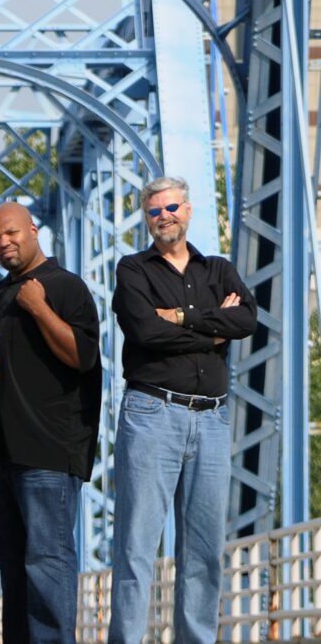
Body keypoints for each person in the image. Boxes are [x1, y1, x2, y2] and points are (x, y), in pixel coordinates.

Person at [109, 176, 257, 642]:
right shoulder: (133, 270)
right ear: (147, 220)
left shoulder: (219, 269)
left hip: (211, 419)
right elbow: (144, 333)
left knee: (203, 551)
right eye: (154, 211)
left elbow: (247, 319)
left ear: (188, 211)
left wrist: (180, 316)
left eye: (172, 207)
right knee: (136, 547)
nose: (164, 216)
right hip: (153, 412)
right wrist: (215, 327)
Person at [0, 202, 102, 643]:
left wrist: (38, 308)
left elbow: (81, 357)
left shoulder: (65, 287)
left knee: (47, 562)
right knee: (11, 569)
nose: (3, 243)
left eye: (11, 233)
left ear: (33, 231)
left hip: (49, 453)